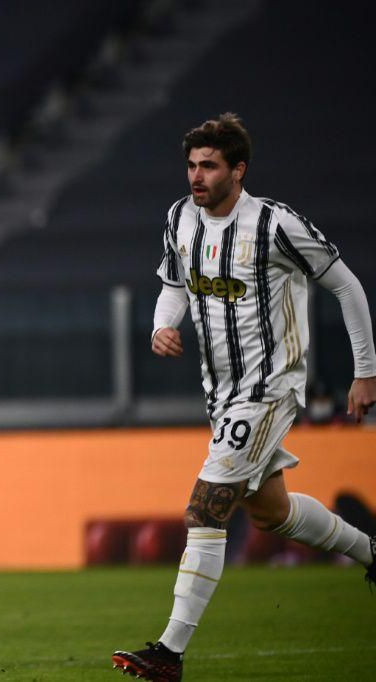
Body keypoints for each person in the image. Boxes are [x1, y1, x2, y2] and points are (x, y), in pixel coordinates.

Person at [112, 113, 376, 681]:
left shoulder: (276, 225)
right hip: (222, 394)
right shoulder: (180, 218)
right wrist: (162, 325)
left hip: (270, 389)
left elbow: (346, 284)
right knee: (272, 512)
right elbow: (172, 285)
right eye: (191, 165)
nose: (196, 177)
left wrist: (366, 371)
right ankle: (371, 553)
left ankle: (169, 652)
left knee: (205, 508)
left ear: (238, 169)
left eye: (208, 166)